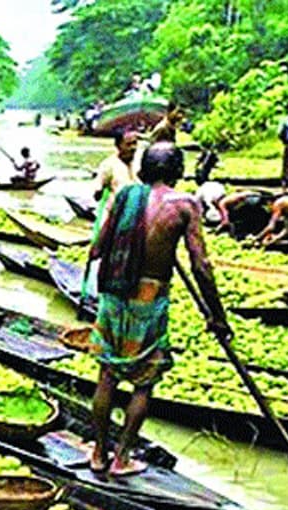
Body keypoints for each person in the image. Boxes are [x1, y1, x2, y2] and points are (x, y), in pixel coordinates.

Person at [86, 144, 230, 476]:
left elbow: (98, 247)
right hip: (149, 297)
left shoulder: (125, 198)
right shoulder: (184, 204)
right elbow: (201, 266)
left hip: (114, 293)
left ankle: (97, 453)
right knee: (144, 380)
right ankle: (121, 457)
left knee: (107, 375)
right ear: (178, 170)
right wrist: (217, 315)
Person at [94, 130, 140, 203]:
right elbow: (97, 192)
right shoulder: (108, 165)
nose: (133, 148)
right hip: (119, 208)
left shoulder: (141, 161)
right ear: (118, 146)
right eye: (128, 144)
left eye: (134, 143)